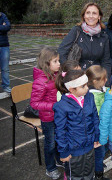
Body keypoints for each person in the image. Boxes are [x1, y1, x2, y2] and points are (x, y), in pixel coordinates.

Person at [53, 69, 100, 179]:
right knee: (76, 176)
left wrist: (97, 136)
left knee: (89, 173)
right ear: (71, 89)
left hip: (89, 146)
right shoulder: (62, 106)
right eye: (83, 86)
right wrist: (64, 152)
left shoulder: (90, 97)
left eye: (86, 84)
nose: (87, 88)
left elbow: (95, 118)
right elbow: (60, 131)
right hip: (74, 151)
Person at [30, 47, 61, 180]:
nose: (59, 63)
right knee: (50, 143)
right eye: (56, 61)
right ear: (46, 64)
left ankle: (59, 159)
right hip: (48, 118)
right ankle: (50, 168)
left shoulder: (54, 75)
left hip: (57, 116)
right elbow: (35, 103)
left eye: (58, 60)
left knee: (59, 139)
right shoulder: (40, 81)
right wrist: (54, 106)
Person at [58, 2, 111, 76]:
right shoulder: (76, 31)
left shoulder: (104, 36)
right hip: (77, 75)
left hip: (96, 77)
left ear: (99, 17)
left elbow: (106, 61)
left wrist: (106, 81)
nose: (91, 16)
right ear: (84, 16)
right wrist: (70, 70)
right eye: (88, 13)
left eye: (94, 13)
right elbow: (62, 51)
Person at [86, 65, 109, 180]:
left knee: (102, 151)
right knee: (99, 153)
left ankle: (98, 168)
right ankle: (98, 174)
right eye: (104, 79)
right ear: (95, 81)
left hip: (102, 128)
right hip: (98, 131)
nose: (106, 80)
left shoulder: (101, 90)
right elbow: (98, 115)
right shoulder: (93, 96)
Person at [0, 12, 11, 93]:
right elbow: (4, 27)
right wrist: (2, 26)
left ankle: (6, 86)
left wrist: (5, 26)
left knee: (5, 68)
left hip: (4, 46)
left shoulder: (3, 15)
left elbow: (8, 26)